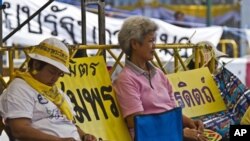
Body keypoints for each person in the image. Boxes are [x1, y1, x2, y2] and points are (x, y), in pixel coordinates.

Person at [113, 16, 207, 141]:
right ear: (135, 43)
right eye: (151, 41)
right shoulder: (126, 79)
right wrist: (180, 133)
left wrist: (190, 122)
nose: (154, 46)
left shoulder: (158, 73)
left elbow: (171, 111)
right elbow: (138, 123)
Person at [0, 37, 97, 141]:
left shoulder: (56, 93)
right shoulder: (20, 88)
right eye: (51, 72)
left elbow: (69, 123)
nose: (55, 78)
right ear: (36, 65)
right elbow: (19, 130)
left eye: (59, 74)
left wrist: (84, 136)